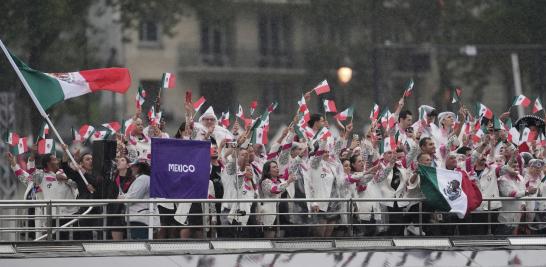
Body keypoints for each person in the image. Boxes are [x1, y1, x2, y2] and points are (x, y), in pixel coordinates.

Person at [6, 151, 78, 240]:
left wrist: (66, 179)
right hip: (42, 216)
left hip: (64, 216)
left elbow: (77, 185)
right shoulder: (40, 176)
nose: (57, 161)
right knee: (45, 242)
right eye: (54, 159)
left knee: (64, 242)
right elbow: (24, 176)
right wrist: (13, 163)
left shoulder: (65, 173)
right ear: (48, 163)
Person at [259, 161, 295, 238]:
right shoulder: (265, 182)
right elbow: (274, 190)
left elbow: (292, 167)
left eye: (277, 166)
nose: (277, 168)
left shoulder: (280, 181)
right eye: (274, 167)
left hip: (281, 214)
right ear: (268, 170)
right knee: (269, 239)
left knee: (280, 240)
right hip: (270, 213)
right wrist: (288, 181)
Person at [119, 159, 152, 239]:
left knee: (139, 244)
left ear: (139, 167)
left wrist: (122, 198)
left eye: (133, 166)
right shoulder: (144, 178)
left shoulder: (143, 179)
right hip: (140, 217)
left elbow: (133, 198)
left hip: (140, 218)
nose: (131, 168)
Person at [108, 156, 134, 240]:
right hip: (116, 213)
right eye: (118, 160)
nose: (119, 161)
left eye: (122, 160)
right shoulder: (113, 179)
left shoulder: (133, 179)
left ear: (128, 165)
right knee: (117, 241)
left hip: (129, 212)